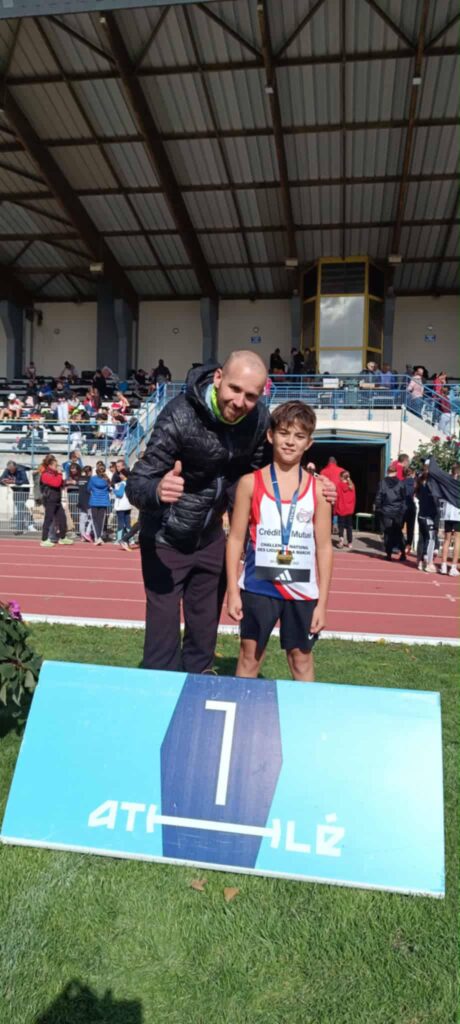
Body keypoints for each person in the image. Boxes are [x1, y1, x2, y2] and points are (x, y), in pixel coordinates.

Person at [126, 350, 337, 673]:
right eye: (235, 389)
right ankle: (161, 706)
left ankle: (198, 704)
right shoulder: (179, 415)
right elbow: (138, 481)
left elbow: (275, 466)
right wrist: (157, 490)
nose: (240, 402)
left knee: (203, 636)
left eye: (250, 395)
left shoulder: (257, 421)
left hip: (211, 539)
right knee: (162, 643)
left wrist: (317, 482)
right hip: (167, 538)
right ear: (218, 379)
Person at [226, 401, 332, 683]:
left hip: (301, 589)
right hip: (259, 585)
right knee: (250, 655)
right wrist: (233, 591)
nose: (290, 442)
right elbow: (235, 539)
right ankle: (241, 721)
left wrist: (322, 602)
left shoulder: (319, 490)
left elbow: (324, 547)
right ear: (271, 436)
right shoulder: (250, 483)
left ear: (309, 443)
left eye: (299, 436)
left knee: (301, 658)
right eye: (284, 433)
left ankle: (305, 723)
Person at [39, 455, 73, 547]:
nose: (57, 467)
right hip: (49, 499)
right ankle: (44, 539)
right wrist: (60, 474)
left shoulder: (55, 474)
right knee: (48, 519)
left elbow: (60, 483)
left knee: (63, 518)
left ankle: (62, 537)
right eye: (55, 465)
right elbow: (56, 483)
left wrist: (67, 482)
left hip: (57, 500)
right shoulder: (45, 474)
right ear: (50, 465)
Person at [374, 465, 406, 562]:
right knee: (398, 532)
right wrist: (402, 509)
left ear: (387, 472)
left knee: (388, 532)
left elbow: (378, 496)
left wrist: (378, 508)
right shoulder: (401, 483)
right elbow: (403, 497)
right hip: (397, 511)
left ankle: (389, 553)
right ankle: (403, 553)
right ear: (396, 472)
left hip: (386, 510)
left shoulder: (382, 483)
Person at [0, 461, 35, 534]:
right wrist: (4, 481)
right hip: (15, 491)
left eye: (12, 469)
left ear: (15, 467)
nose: (11, 471)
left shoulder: (21, 470)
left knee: (19, 508)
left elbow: (24, 481)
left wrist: (13, 481)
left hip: (24, 491)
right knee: (21, 508)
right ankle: (31, 524)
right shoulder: (7, 470)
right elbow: (1, 479)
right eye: (10, 470)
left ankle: (20, 529)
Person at [415, 465, 439, 573]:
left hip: (421, 515)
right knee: (430, 539)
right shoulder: (431, 485)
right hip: (428, 515)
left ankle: (420, 561)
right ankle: (429, 563)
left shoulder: (421, 483)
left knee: (422, 538)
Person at [88, 464, 111, 545]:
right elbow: (109, 489)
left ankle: (97, 537)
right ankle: (99, 537)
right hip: (104, 501)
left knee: (95, 521)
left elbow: (88, 488)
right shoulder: (107, 479)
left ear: (96, 471)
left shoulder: (92, 479)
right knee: (101, 521)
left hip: (94, 501)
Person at [335, 470, 356, 549]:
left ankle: (341, 540)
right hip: (349, 509)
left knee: (341, 525)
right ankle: (350, 542)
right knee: (349, 526)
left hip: (341, 508)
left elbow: (337, 497)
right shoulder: (352, 485)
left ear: (341, 477)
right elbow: (354, 498)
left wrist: (335, 509)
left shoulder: (339, 485)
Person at [113, 468, 132, 550]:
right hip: (128, 505)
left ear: (124, 475)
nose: (119, 475)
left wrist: (114, 490)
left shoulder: (123, 483)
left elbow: (120, 494)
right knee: (128, 523)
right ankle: (131, 539)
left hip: (121, 506)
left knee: (120, 523)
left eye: (121, 474)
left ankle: (119, 539)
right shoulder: (130, 483)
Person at [402, 466, 416, 555]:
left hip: (402, 507)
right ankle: (408, 545)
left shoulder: (401, 483)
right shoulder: (415, 483)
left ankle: (401, 544)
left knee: (399, 527)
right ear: (412, 473)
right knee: (410, 529)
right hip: (411, 507)